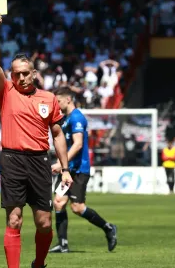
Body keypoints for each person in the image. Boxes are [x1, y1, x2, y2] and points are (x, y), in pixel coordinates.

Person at [0, 12, 73, 268]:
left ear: (33, 73)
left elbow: (57, 134)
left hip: (39, 161)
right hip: (12, 160)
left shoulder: (49, 98)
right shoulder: (6, 91)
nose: (21, 78)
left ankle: (39, 264)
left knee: (44, 223)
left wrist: (66, 168)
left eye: (25, 73)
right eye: (16, 74)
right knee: (14, 220)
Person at [49, 87, 117, 253]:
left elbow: (78, 144)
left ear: (68, 99)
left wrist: (60, 164)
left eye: (58, 101)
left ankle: (108, 228)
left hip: (78, 170)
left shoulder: (77, 117)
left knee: (77, 208)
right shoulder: (65, 119)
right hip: (68, 170)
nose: (56, 105)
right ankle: (63, 244)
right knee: (58, 202)